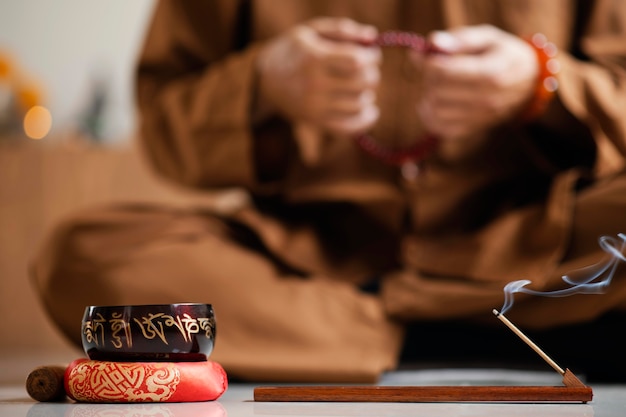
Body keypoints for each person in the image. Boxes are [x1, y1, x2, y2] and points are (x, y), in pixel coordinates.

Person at [32, 0, 626, 383]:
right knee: (82, 256)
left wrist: (542, 82)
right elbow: (164, 132)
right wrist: (261, 84)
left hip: (537, 245)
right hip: (310, 263)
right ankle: (499, 336)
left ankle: (328, 343)